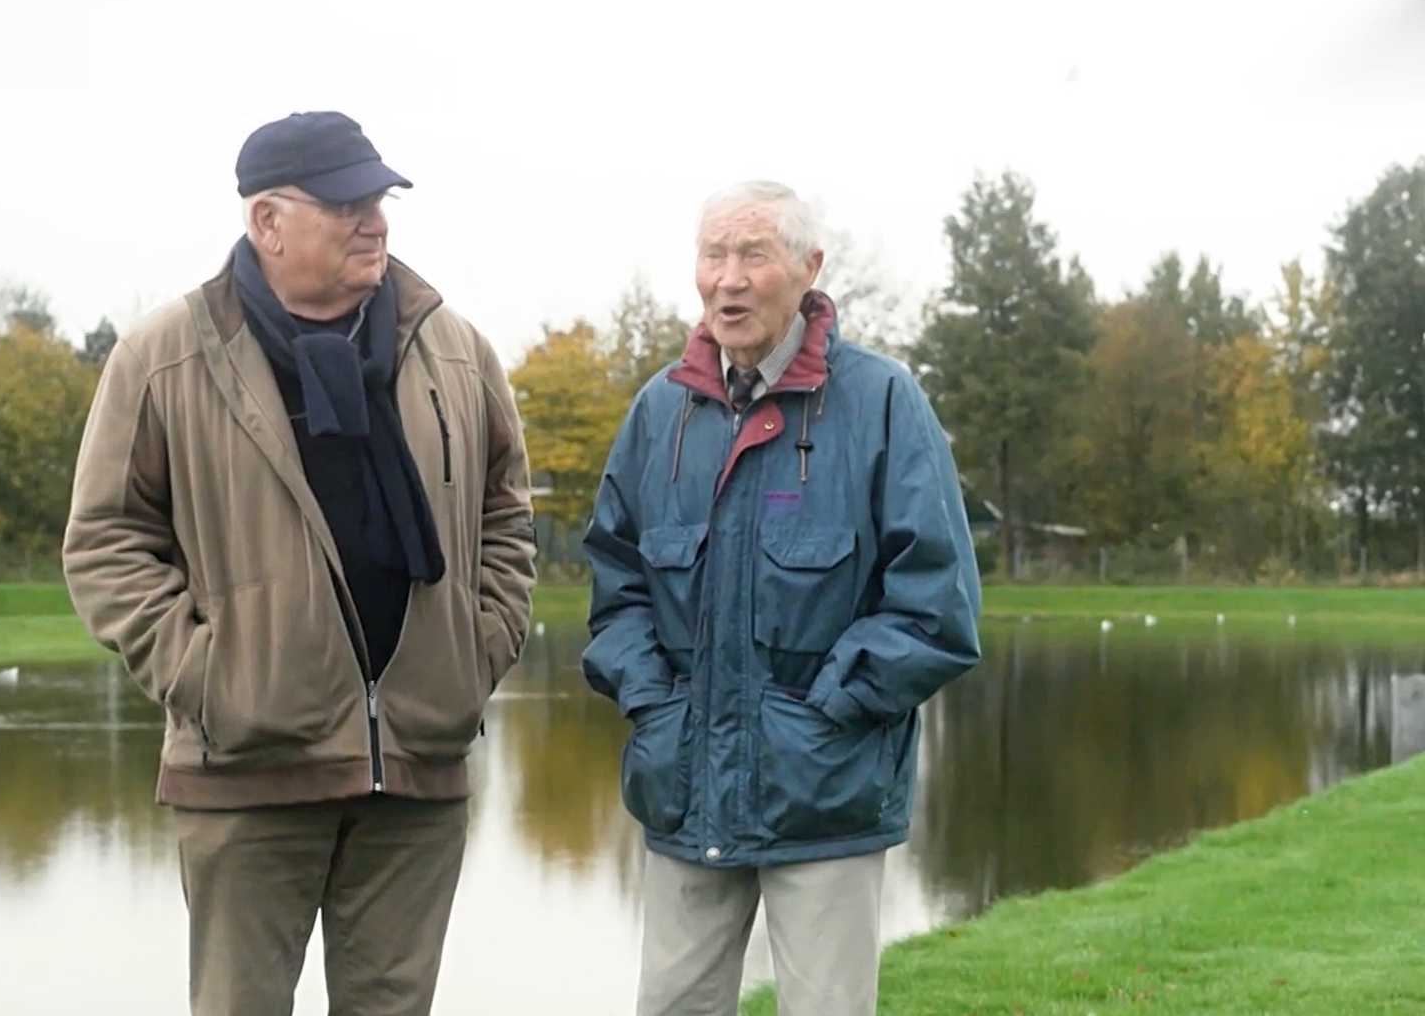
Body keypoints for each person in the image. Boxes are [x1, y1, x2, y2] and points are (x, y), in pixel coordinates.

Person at [62, 111, 537, 1016]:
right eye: (345, 203)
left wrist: (478, 649)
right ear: (267, 222)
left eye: (378, 199)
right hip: (247, 768)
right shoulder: (164, 358)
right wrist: (210, 676)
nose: (375, 220)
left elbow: (506, 515)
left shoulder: (456, 350)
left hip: (418, 768)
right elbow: (106, 541)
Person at [580, 180, 981, 1016]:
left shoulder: (881, 402)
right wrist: (657, 707)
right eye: (713, 254)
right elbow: (616, 595)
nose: (728, 277)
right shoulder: (660, 414)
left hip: (826, 796)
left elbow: (936, 607)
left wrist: (823, 715)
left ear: (807, 268)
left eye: (753, 254)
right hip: (683, 789)